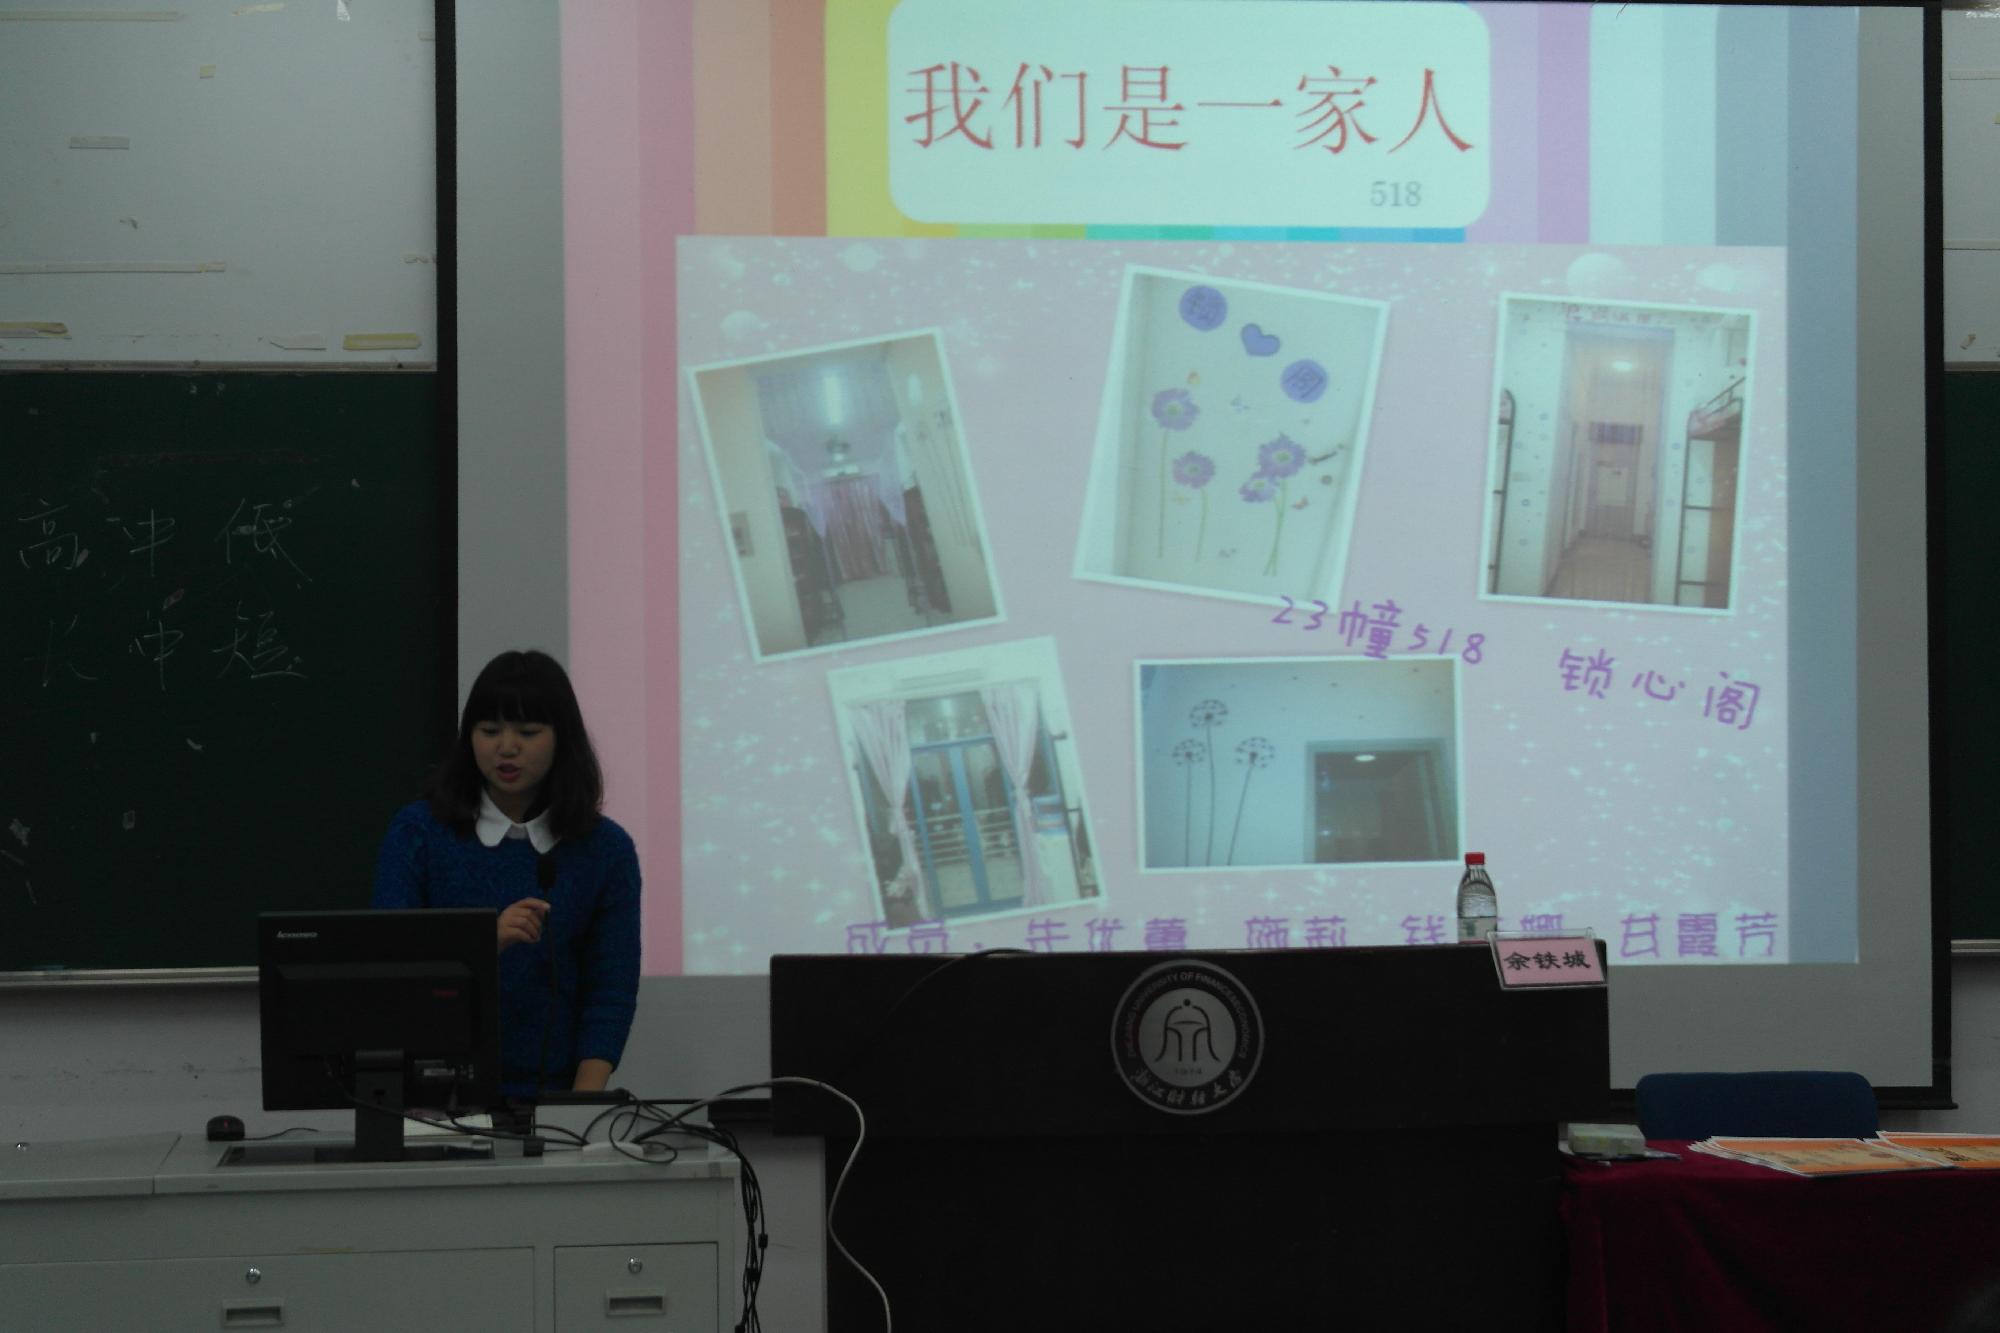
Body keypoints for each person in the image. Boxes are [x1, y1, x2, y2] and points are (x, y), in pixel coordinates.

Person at [373, 649, 640, 1100]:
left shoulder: (605, 849)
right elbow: (388, 963)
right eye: (489, 731)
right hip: (433, 1098)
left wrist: (580, 1106)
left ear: (562, 739)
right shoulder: (418, 833)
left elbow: (610, 991)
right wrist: (482, 944)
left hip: (556, 1100)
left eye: (528, 732)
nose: (506, 748)